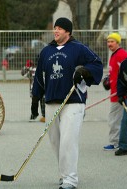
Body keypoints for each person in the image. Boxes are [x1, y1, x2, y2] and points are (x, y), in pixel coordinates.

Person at [32, 17, 103, 189]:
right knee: (56, 142)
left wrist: (84, 71)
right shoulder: (46, 51)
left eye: (60, 28)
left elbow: (97, 65)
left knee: (68, 142)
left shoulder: (79, 48)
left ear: (68, 32)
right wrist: (35, 99)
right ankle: (64, 174)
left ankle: (70, 180)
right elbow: (39, 77)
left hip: (73, 101)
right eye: (55, 28)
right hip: (51, 102)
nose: (55, 31)